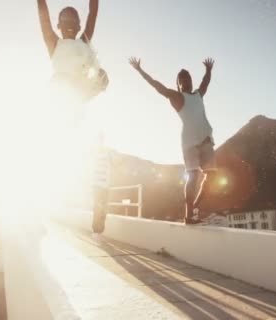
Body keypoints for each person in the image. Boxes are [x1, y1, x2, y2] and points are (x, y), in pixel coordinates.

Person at [129, 56, 217, 225]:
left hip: (206, 140)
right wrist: (140, 70)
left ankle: (195, 205)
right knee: (193, 176)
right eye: (182, 80)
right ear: (178, 83)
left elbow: (205, 83)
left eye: (188, 78)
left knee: (211, 176)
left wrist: (208, 71)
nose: (186, 81)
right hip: (190, 142)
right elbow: (156, 85)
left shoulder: (198, 94)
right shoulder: (175, 97)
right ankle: (189, 215)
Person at [36, 0, 108, 103]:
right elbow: (44, 17)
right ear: (58, 26)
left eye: (74, 20)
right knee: (60, 79)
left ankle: (80, 99)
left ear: (79, 27)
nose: (70, 23)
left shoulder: (83, 41)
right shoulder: (54, 43)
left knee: (102, 75)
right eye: (65, 19)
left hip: (80, 89)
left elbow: (93, 13)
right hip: (62, 89)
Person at [91, 132, 110, 234]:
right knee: (98, 208)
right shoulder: (95, 151)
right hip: (97, 185)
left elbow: (108, 169)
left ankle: (99, 231)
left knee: (103, 209)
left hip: (105, 186)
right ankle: (96, 231)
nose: (101, 141)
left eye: (102, 138)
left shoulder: (106, 153)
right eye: (100, 138)